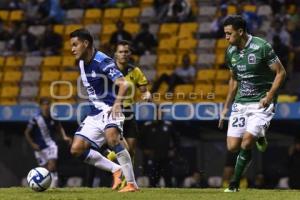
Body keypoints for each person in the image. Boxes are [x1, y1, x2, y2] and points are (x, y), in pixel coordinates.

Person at [218, 15, 286, 192]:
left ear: (240, 32)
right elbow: (233, 80)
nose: (226, 37)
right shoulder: (230, 52)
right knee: (232, 146)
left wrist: (270, 96)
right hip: (241, 103)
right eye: (225, 33)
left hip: (261, 103)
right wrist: (226, 107)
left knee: (246, 142)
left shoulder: (261, 47)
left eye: (229, 33)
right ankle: (260, 135)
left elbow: (281, 72)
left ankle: (234, 183)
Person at [69, 28, 138, 192]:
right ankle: (116, 169)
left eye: (75, 45)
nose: (72, 49)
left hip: (111, 109)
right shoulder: (81, 63)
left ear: (86, 44)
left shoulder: (103, 61)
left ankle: (131, 184)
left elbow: (124, 84)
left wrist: (117, 104)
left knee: (112, 138)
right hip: (95, 113)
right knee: (76, 149)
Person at [24, 98, 72, 188]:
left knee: (52, 166)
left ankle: (54, 186)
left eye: (48, 104)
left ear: (50, 106)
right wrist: (32, 144)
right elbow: (27, 132)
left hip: (50, 145)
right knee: (44, 169)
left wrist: (64, 136)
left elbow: (59, 127)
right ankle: (45, 185)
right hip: (39, 147)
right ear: (41, 106)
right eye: (44, 104)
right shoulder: (35, 118)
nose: (46, 106)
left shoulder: (53, 116)